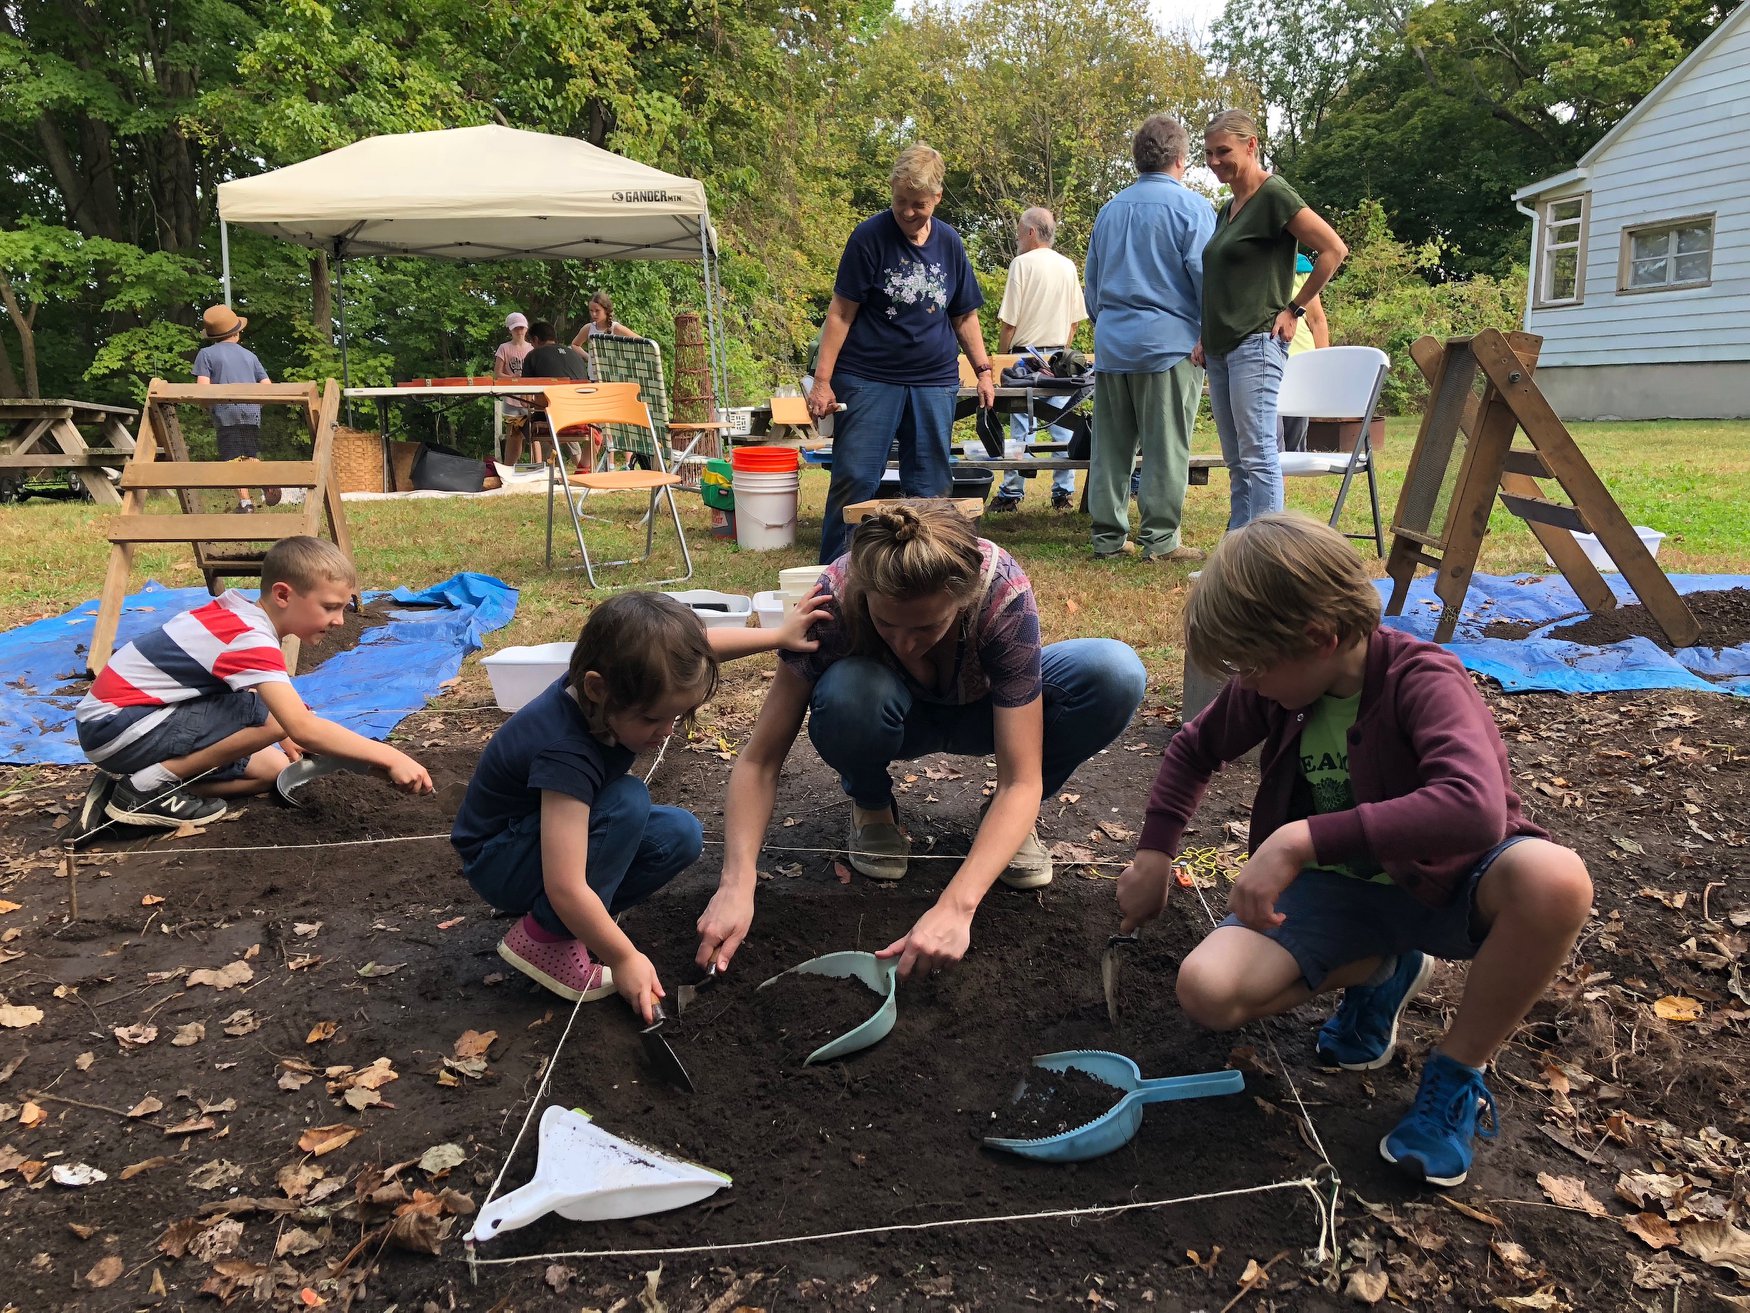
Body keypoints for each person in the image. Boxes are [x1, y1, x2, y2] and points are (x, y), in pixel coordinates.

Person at [1116, 513, 1593, 1188]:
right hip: (1343, 894)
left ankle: (1456, 1073)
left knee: (1554, 878)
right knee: (1207, 990)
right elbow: (1195, 747)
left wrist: (1302, 837)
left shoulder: (1424, 679)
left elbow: (1475, 807)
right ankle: (1381, 973)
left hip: (1446, 886)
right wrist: (1156, 852)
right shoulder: (1283, 688)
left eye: (1254, 665)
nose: (1246, 683)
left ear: (1319, 637)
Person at [696, 502, 1147, 981]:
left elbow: (1022, 779)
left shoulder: (1000, 592)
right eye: (887, 624)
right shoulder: (836, 598)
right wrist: (736, 881)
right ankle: (872, 806)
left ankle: (1006, 827)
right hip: (888, 715)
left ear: (964, 598)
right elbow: (760, 760)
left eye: (928, 626)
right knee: (850, 694)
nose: (905, 643)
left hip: (986, 714)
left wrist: (956, 907)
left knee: (1113, 673)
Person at [451, 591, 828, 1019]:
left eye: (678, 715)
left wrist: (779, 635)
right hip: (500, 860)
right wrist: (624, 957)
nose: (666, 730)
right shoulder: (565, 753)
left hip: (533, 844)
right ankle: (544, 937)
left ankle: (580, 924)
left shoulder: (614, 681)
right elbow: (565, 884)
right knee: (626, 802)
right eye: (652, 718)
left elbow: (697, 649)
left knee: (678, 835)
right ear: (598, 689)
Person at [72, 536, 433, 839]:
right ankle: (147, 786)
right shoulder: (250, 637)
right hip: (117, 723)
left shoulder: (241, 615)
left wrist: (288, 735)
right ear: (282, 595)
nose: (339, 620)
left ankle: (132, 794)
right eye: (330, 607)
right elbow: (300, 725)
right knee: (282, 720)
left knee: (275, 770)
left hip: (136, 724)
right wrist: (390, 757)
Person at [808, 145, 995, 565]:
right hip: (868, 377)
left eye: (919, 205)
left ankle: (921, 575)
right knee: (855, 478)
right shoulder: (869, 238)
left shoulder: (949, 243)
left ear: (937, 199)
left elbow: (964, 315)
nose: (908, 213)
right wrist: (822, 381)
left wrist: (983, 370)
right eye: (900, 202)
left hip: (934, 380)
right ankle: (835, 577)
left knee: (929, 487)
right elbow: (840, 313)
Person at [1193, 110, 1347, 531]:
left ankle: (1269, 562)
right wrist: (1205, 337)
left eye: (1223, 151)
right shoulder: (1228, 207)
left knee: (1259, 455)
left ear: (1251, 145)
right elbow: (1225, 281)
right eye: (1207, 153)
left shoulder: (1274, 194)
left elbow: (1334, 250)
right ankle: (1237, 557)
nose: (1214, 161)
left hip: (1257, 343)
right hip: (1221, 350)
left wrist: (1295, 308)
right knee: (1237, 460)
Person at [1082, 116, 1215, 564]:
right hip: (1170, 346)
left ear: (1137, 157)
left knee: (1110, 449)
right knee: (1165, 448)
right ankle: (1159, 540)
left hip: (1113, 345)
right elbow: (1206, 280)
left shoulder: (1110, 210)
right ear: (1182, 158)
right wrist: (1207, 335)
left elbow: (1093, 289)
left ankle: (1107, 538)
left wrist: (1111, 326)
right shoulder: (1193, 208)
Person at [989, 207, 1086, 514]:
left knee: (1021, 426)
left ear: (1031, 232)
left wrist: (1002, 358)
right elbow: (1074, 321)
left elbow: (1009, 321)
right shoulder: (1067, 265)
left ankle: (1012, 491)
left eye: (1020, 231)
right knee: (1063, 424)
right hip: (1059, 357)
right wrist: (1062, 352)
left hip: (1023, 358)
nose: (1018, 237)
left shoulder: (1021, 264)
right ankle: (1063, 491)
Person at [194, 305, 278, 514]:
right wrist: (255, 405)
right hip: (251, 412)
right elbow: (267, 386)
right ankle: (266, 480)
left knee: (232, 457)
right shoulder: (250, 356)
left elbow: (203, 389)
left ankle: (246, 504)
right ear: (237, 333)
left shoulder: (206, 354)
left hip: (225, 413)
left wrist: (207, 407)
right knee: (249, 452)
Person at [522, 320, 591, 470]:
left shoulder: (533, 355)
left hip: (553, 417)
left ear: (535, 339)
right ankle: (580, 466)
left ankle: (538, 468)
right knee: (555, 410)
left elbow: (525, 399)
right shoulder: (575, 355)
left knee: (519, 426)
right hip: (582, 416)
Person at [1279, 253, 1330, 453]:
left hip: (1301, 363)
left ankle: (1281, 485)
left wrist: (1324, 364)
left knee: (1294, 442)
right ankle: (1272, 484)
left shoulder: (1299, 266)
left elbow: (1317, 321)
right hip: (1263, 361)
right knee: (1269, 437)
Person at [494, 312, 537, 467]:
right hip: (512, 399)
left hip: (529, 399)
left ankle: (537, 466)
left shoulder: (532, 349)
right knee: (513, 434)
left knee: (534, 434)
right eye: (516, 328)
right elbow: (498, 373)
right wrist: (514, 379)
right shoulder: (504, 348)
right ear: (510, 330)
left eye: (522, 327)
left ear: (526, 329)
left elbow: (537, 374)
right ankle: (509, 467)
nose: (519, 331)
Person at [570, 291, 639, 348]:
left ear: (606, 310)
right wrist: (588, 357)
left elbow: (643, 342)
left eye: (597, 311)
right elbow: (575, 345)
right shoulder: (588, 328)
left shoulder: (616, 328)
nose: (594, 314)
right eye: (591, 310)